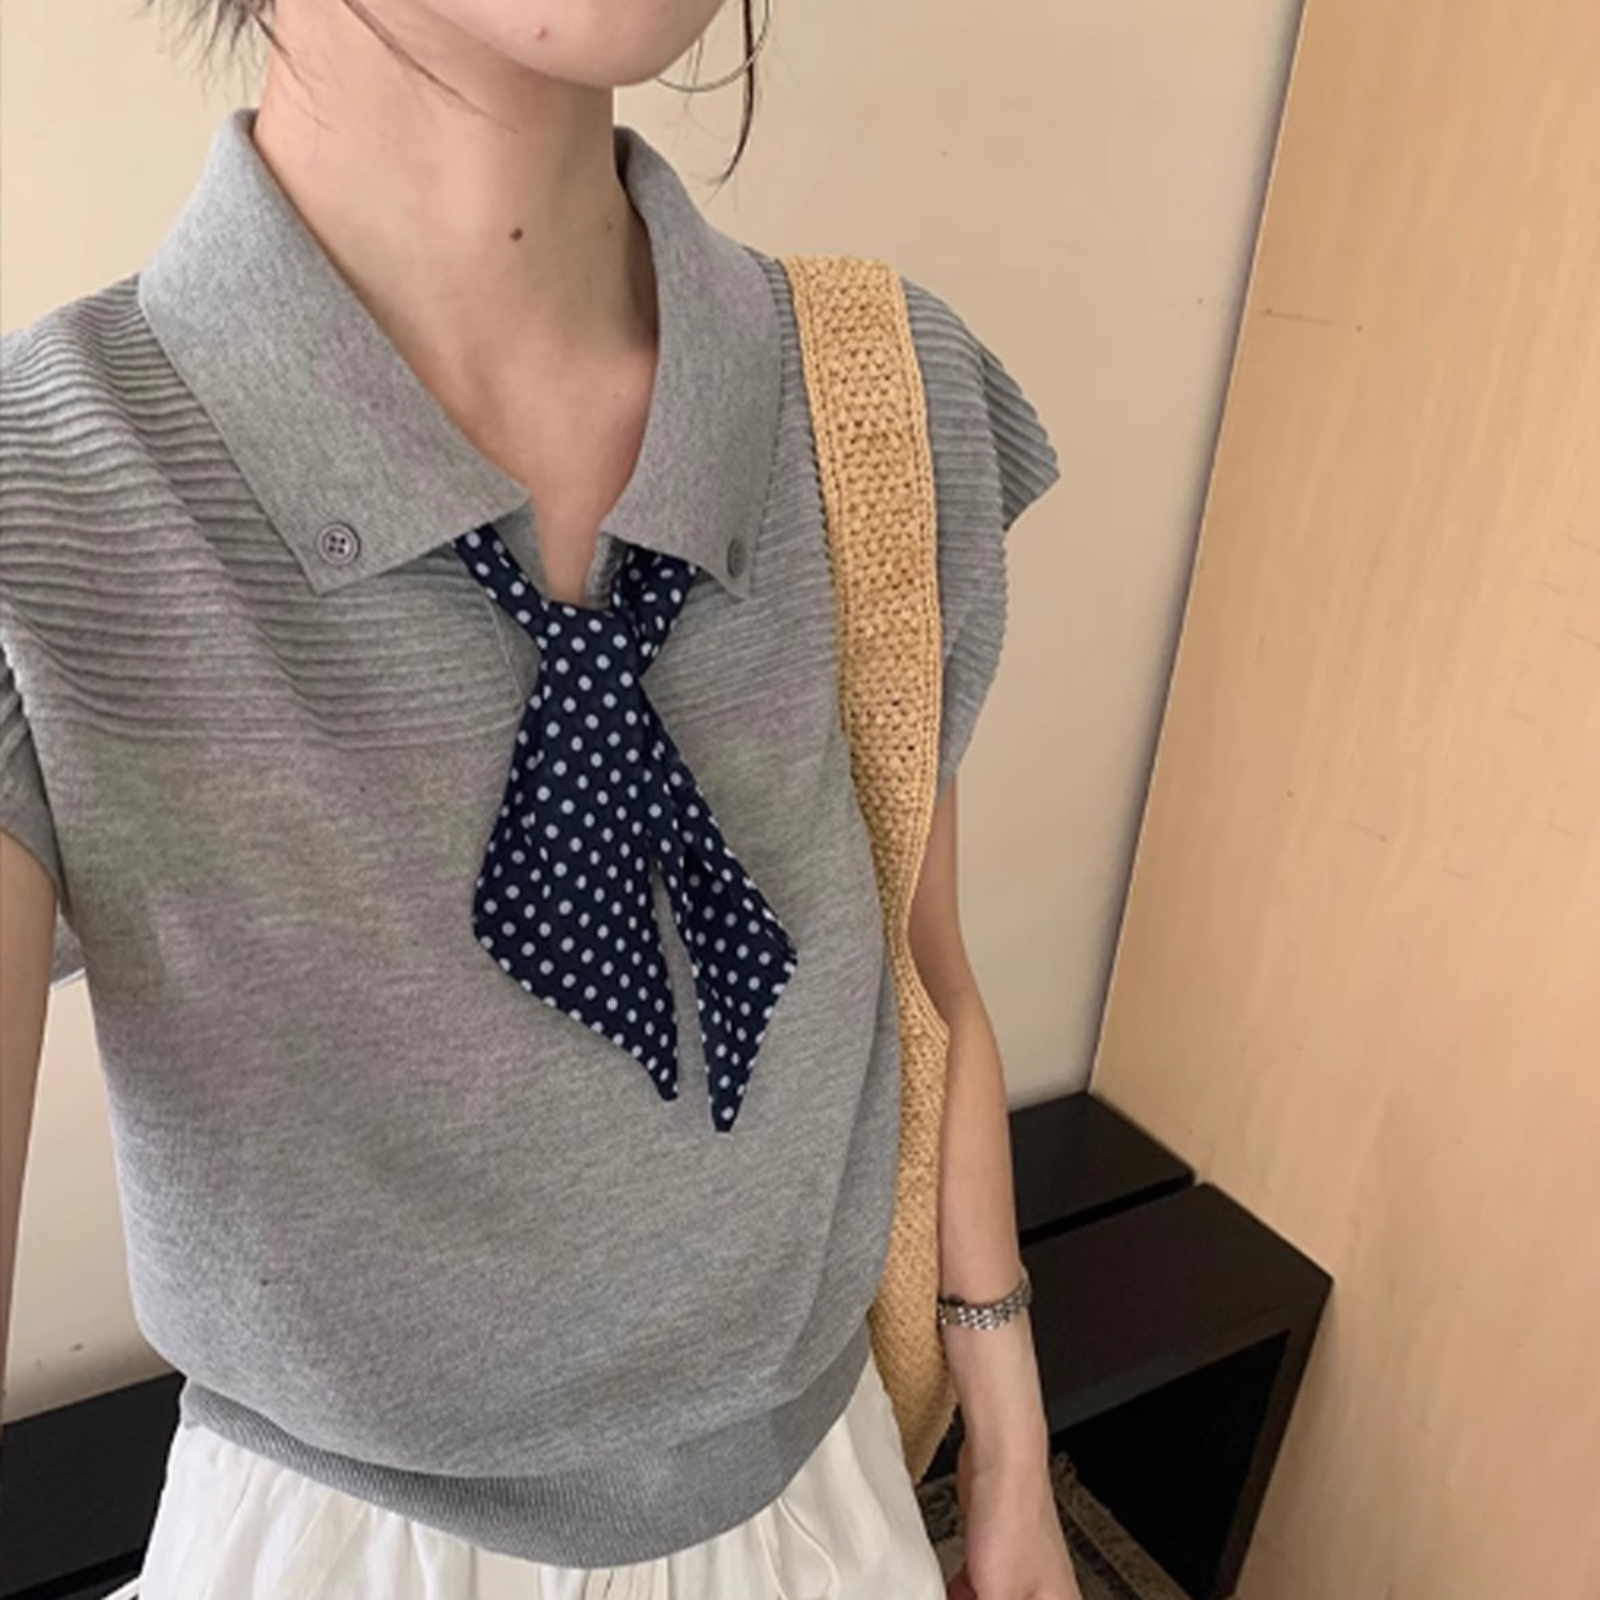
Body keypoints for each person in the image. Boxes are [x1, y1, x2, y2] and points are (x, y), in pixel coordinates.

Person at [0, 1, 1078, 1595]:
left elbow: (923, 987)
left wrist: (1011, 1448)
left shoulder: (880, 404)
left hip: (829, 1505)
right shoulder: (48, 499)